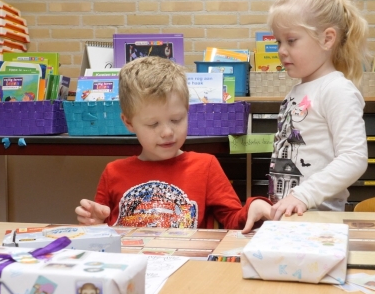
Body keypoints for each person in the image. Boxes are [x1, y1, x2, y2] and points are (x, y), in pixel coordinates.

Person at [75, 56, 272, 233]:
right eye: (153, 124)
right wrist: (96, 225)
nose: (168, 132)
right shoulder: (113, 173)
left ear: (187, 111)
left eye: (176, 120)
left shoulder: (206, 166)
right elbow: (103, 234)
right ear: (128, 122)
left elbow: (233, 220)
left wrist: (253, 207)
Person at [267, 0, 369, 220]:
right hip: (293, 218)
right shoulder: (298, 91)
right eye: (278, 41)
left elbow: (354, 158)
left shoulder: (336, 89)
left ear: (327, 39)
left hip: (320, 220)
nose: (281, 50)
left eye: (291, 40)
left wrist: (304, 195)